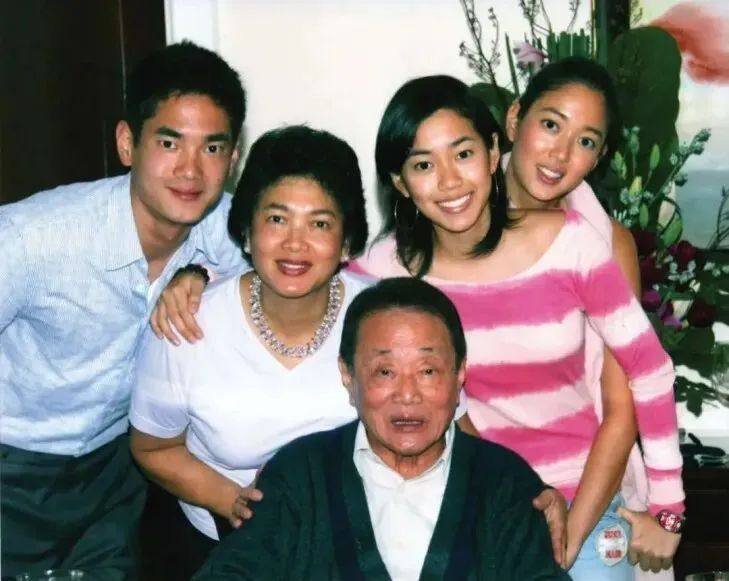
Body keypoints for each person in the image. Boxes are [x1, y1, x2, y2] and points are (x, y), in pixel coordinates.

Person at [349, 74, 684, 579]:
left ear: (491, 153)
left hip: (586, 506)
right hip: (477, 517)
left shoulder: (572, 242)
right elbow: (314, 323)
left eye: (463, 154)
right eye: (423, 165)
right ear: (400, 182)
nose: (450, 181)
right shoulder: (383, 273)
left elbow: (649, 370)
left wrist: (665, 509)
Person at [0, 41, 246, 578]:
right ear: (128, 143)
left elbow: (287, 281)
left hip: (116, 472)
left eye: (212, 147)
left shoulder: (232, 229)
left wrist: (199, 273)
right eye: (169, 142)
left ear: (232, 159)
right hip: (12, 460)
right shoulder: (31, 238)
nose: (190, 169)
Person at [193, 277, 570, 580]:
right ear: (348, 375)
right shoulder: (299, 473)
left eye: (428, 371)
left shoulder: (505, 482)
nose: (407, 394)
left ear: (459, 375)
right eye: (385, 372)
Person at [129, 125, 371, 578]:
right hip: (222, 546)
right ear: (245, 231)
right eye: (277, 219)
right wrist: (233, 501)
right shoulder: (188, 323)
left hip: (355, 544)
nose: (295, 243)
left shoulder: (381, 320)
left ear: (347, 242)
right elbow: (153, 446)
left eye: (319, 223)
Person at [502, 57, 682, 578]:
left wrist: (573, 537)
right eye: (550, 124)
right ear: (515, 119)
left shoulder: (604, 245)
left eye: (585, 141)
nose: (560, 154)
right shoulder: (451, 228)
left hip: (587, 496)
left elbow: (624, 402)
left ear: (599, 157)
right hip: (483, 500)